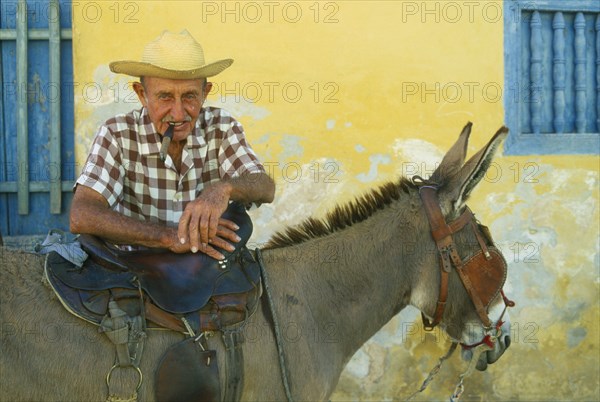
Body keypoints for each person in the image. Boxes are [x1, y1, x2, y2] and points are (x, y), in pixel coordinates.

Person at [70, 30, 275, 260]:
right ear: (142, 95)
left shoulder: (221, 127)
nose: (178, 113)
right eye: (165, 97)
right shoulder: (117, 134)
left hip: (205, 266)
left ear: (204, 93)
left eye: (189, 96)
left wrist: (223, 189)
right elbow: (82, 214)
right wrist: (168, 237)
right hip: (132, 267)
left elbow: (265, 187)